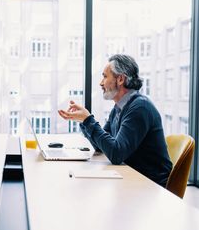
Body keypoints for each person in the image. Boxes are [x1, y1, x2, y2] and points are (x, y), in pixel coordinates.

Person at [58, 54, 172, 187]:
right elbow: (100, 146)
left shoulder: (139, 107)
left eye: (105, 76)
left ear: (120, 79)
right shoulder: (119, 107)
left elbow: (116, 154)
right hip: (134, 178)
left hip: (152, 186)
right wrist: (84, 121)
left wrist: (88, 120)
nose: (101, 83)